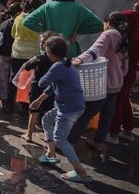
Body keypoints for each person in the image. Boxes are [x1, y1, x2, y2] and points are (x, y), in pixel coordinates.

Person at [30, 35, 91, 183]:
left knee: (61, 139)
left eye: (46, 51)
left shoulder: (58, 66)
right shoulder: (66, 63)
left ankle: (81, 173)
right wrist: (38, 101)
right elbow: (52, 86)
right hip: (72, 105)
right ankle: (51, 154)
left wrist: (41, 62)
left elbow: (42, 83)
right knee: (46, 120)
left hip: (69, 109)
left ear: (50, 52)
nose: (45, 54)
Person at [70, 12, 129, 149]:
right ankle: (98, 142)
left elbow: (95, 50)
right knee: (107, 114)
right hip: (117, 82)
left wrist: (80, 59)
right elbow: (125, 63)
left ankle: (70, 142)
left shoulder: (108, 35)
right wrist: (122, 74)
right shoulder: (124, 36)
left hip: (104, 82)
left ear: (108, 22)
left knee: (87, 112)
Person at [22, 0, 103, 57]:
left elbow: (27, 21)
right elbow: (100, 25)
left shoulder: (47, 7)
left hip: (49, 52)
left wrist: (45, 30)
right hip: (69, 51)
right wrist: (78, 32)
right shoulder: (79, 9)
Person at [9, 0, 45, 112]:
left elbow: (13, 34)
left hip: (17, 53)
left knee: (15, 78)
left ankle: (9, 103)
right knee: (30, 81)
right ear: (34, 9)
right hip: (31, 54)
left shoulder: (18, 18)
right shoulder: (37, 21)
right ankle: (25, 106)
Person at [111, 2, 139, 142]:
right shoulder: (134, 35)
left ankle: (114, 134)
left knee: (118, 101)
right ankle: (127, 129)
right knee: (125, 100)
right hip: (131, 73)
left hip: (124, 74)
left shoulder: (129, 38)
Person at [21, 31, 56, 142]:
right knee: (48, 112)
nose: (40, 45)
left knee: (34, 111)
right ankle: (48, 136)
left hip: (37, 88)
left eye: (42, 42)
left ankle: (29, 135)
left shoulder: (40, 58)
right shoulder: (57, 59)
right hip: (51, 89)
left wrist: (32, 60)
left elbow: (26, 66)